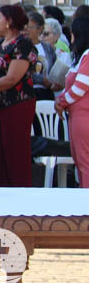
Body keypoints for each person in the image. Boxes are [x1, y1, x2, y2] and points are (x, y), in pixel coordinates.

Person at [0, 4, 37, 188]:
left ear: (10, 22)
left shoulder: (22, 44)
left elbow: (12, 78)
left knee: (14, 152)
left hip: (16, 104)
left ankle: (19, 196)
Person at [56, 17, 89, 187]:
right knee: (81, 163)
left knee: (85, 164)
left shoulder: (88, 56)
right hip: (77, 116)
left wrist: (61, 102)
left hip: (84, 117)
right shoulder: (83, 56)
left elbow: (80, 87)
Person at [26, 11, 58, 100]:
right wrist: (42, 80)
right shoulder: (21, 47)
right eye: (25, 27)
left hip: (45, 94)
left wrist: (56, 83)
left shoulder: (47, 48)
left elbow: (53, 69)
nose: (26, 30)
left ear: (40, 29)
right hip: (28, 93)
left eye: (30, 27)